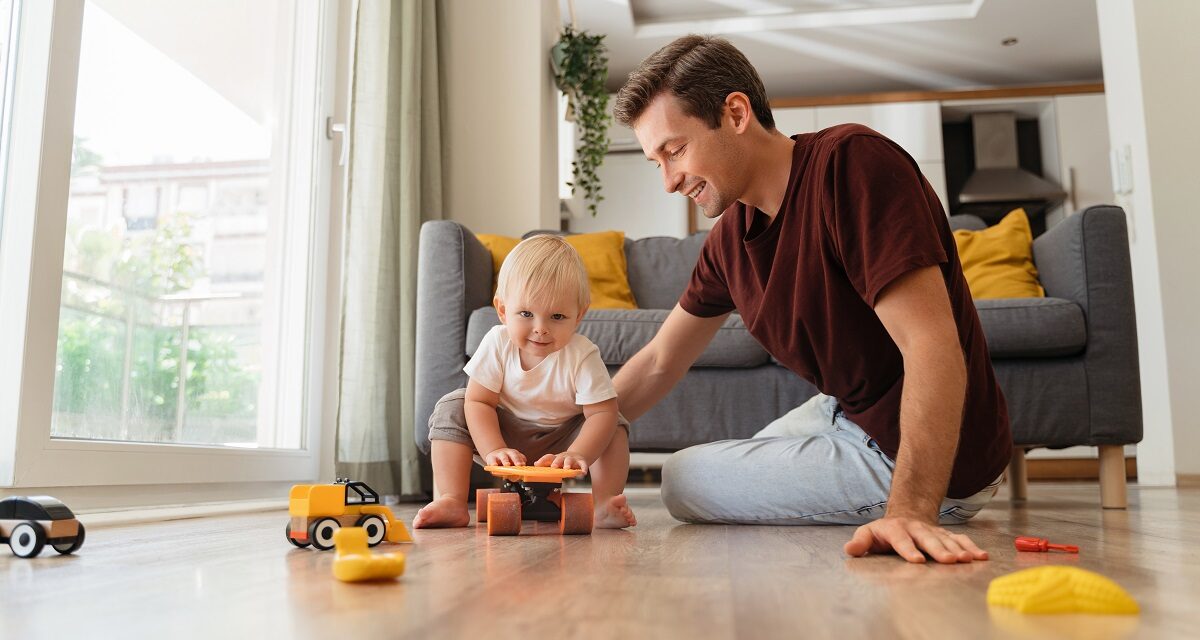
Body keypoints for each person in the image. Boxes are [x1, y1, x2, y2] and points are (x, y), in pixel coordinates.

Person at [610, 35, 1012, 563]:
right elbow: (661, 361)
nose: (668, 181)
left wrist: (910, 511)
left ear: (735, 113)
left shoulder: (852, 165)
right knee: (720, 464)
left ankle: (918, 500)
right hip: (845, 413)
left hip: (935, 461)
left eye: (676, 151)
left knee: (682, 479)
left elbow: (931, 344)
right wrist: (557, 435)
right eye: (654, 162)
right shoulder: (729, 240)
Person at [414, 234, 637, 530]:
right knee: (451, 405)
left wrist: (577, 453)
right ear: (503, 310)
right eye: (526, 314)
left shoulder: (582, 354)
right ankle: (452, 499)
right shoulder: (497, 341)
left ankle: (605, 502)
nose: (540, 329)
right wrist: (493, 447)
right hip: (502, 430)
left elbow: (601, 413)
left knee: (615, 423)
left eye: (557, 316)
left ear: (579, 316)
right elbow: (479, 401)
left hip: (561, 438)